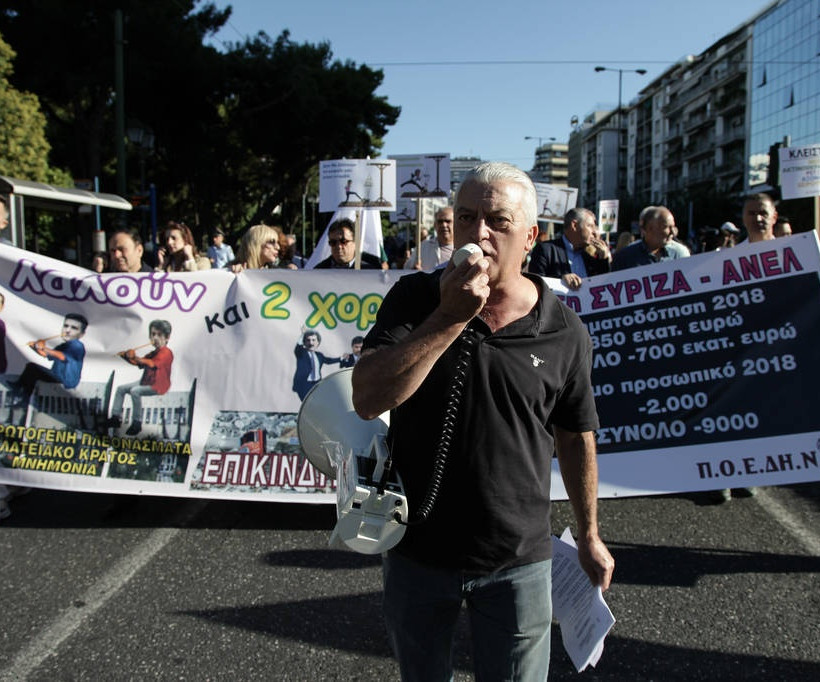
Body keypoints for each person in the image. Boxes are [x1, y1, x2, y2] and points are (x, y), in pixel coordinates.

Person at [351, 161, 614, 680]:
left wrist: (589, 534)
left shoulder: (564, 329)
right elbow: (368, 396)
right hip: (417, 551)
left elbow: (576, 433)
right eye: (467, 217)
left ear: (531, 238)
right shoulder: (416, 298)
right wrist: (448, 317)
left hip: (517, 560)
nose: (478, 234)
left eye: (497, 221)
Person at [108, 320, 173, 436]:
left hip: (158, 385)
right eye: (153, 334)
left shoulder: (166, 353)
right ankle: (115, 418)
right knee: (121, 389)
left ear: (167, 337)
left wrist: (135, 357)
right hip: (145, 382)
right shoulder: (153, 353)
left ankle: (137, 423)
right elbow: (139, 364)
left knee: (135, 391)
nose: (155, 338)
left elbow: (151, 364)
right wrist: (126, 357)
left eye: (159, 335)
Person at [10, 313, 88, 407]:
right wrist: (34, 347)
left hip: (65, 381)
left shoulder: (77, 345)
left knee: (32, 368)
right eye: (66, 326)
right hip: (56, 376)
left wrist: (43, 348)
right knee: (32, 370)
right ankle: (23, 397)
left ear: (82, 334)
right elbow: (46, 355)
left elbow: (62, 356)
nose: (67, 330)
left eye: (74, 328)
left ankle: (20, 391)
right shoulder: (63, 345)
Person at [527, 207, 612, 289]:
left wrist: (603, 259)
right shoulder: (545, 250)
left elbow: (603, 286)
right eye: (590, 226)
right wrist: (561, 281)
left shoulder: (589, 257)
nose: (594, 232)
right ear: (574, 225)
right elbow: (535, 284)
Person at [612, 205, 690, 271]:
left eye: (673, 226)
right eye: (666, 227)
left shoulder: (680, 254)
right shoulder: (625, 257)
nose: (672, 232)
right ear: (648, 229)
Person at [292, 329, 343, 401]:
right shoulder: (301, 353)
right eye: (308, 340)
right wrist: (302, 335)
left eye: (313, 340)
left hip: (317, 383)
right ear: (304, 342)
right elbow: (298, 348)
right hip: (305, 384)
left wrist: (341, 358)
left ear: (318, 342)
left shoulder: (319, 355)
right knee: (306, 403)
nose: (311, 343)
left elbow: (328, 361)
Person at [314, 218, 382, 269]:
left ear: (356, 242)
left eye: (343, 241)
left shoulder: (372, 269)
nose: (339, 246)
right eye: (333, 242)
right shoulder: (319, 271)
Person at [230, 224, 295, 271]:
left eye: (277, 242)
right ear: (256, 244)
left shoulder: (277, 272)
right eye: (272, 242)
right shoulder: (229, 271)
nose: (278, 247)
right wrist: (232, 274)